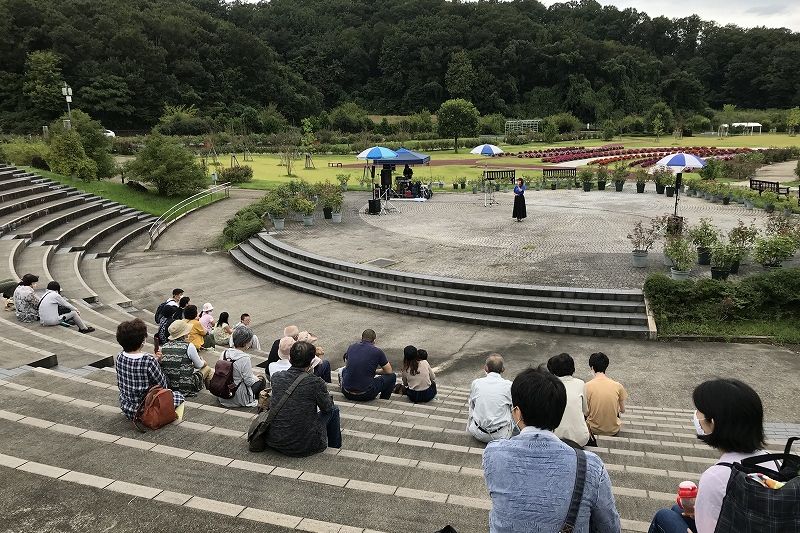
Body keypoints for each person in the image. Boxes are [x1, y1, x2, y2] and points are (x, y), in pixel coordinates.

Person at [483, 368, 621, 532]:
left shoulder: (493, 453)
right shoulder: (591, 466)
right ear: (559, 413)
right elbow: (610, 527)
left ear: (517, 412)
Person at [648, 379, 771, 533]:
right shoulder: (774, 461)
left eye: (699, 409)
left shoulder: (716, 477)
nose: (696, 414)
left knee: (664, 516)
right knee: (676, 510)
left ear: (712, 423)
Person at [263, 340, 342, 456]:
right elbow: (327, 408)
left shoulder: (277, 377)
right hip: (304, 445)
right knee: (334, 410)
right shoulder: (315, 382)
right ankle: (335, 448)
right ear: (311, 362)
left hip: (276, 439)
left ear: (290, 358)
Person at [115, 318, 185, 431]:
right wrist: (158, 363)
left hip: (126, 405)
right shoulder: (148, 360)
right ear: (142, 341)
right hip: (145, 409)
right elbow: (164, 385)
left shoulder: (119, 356)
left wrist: (155, 361)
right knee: (178, 395)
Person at [467, 354, 513, 443]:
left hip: (478, 433)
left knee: (472, 403)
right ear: (503, 369)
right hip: (501, 436)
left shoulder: (476, 383)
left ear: (486, 368)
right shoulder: (509, 385)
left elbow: (472, 404)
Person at [218, 326, 267, 408]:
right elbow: (249, 382)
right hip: (236, 396)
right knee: (261, 379)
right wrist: (256, 378)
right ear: (246, 343)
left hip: (223, 393)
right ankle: (258, 401)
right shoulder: (244, 358)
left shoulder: (224, 353)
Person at [547, 352, 590, 447]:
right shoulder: (580, 384)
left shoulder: (549, 386)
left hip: (556, 438)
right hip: (580, 439)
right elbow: (586, 411)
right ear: (572, 368)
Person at [160, 319, 214, 394]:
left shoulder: (164, 346)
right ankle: (210, 392)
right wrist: (204, 362)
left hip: (170, 386)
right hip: (185, 386)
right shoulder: (189, 346)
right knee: (208, 369)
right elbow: (199, 365)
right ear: (183, 334)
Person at [341, 329, 396, 401]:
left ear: (361, 338)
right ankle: (384, 400)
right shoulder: (377, 351)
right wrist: (375, 371)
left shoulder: (351, 347)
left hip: (346, 392)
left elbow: (349, 364)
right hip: (365, 394)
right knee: (392, 376)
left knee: (345, 370)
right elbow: (389, 371)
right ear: (374, 341)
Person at [585, 352, 627, 437]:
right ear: (606, 366)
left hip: (593, 429)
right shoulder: (617, 385)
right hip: (613, 430)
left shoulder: (587, 386)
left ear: (592, 367)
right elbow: (622, 410)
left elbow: (586, 412)